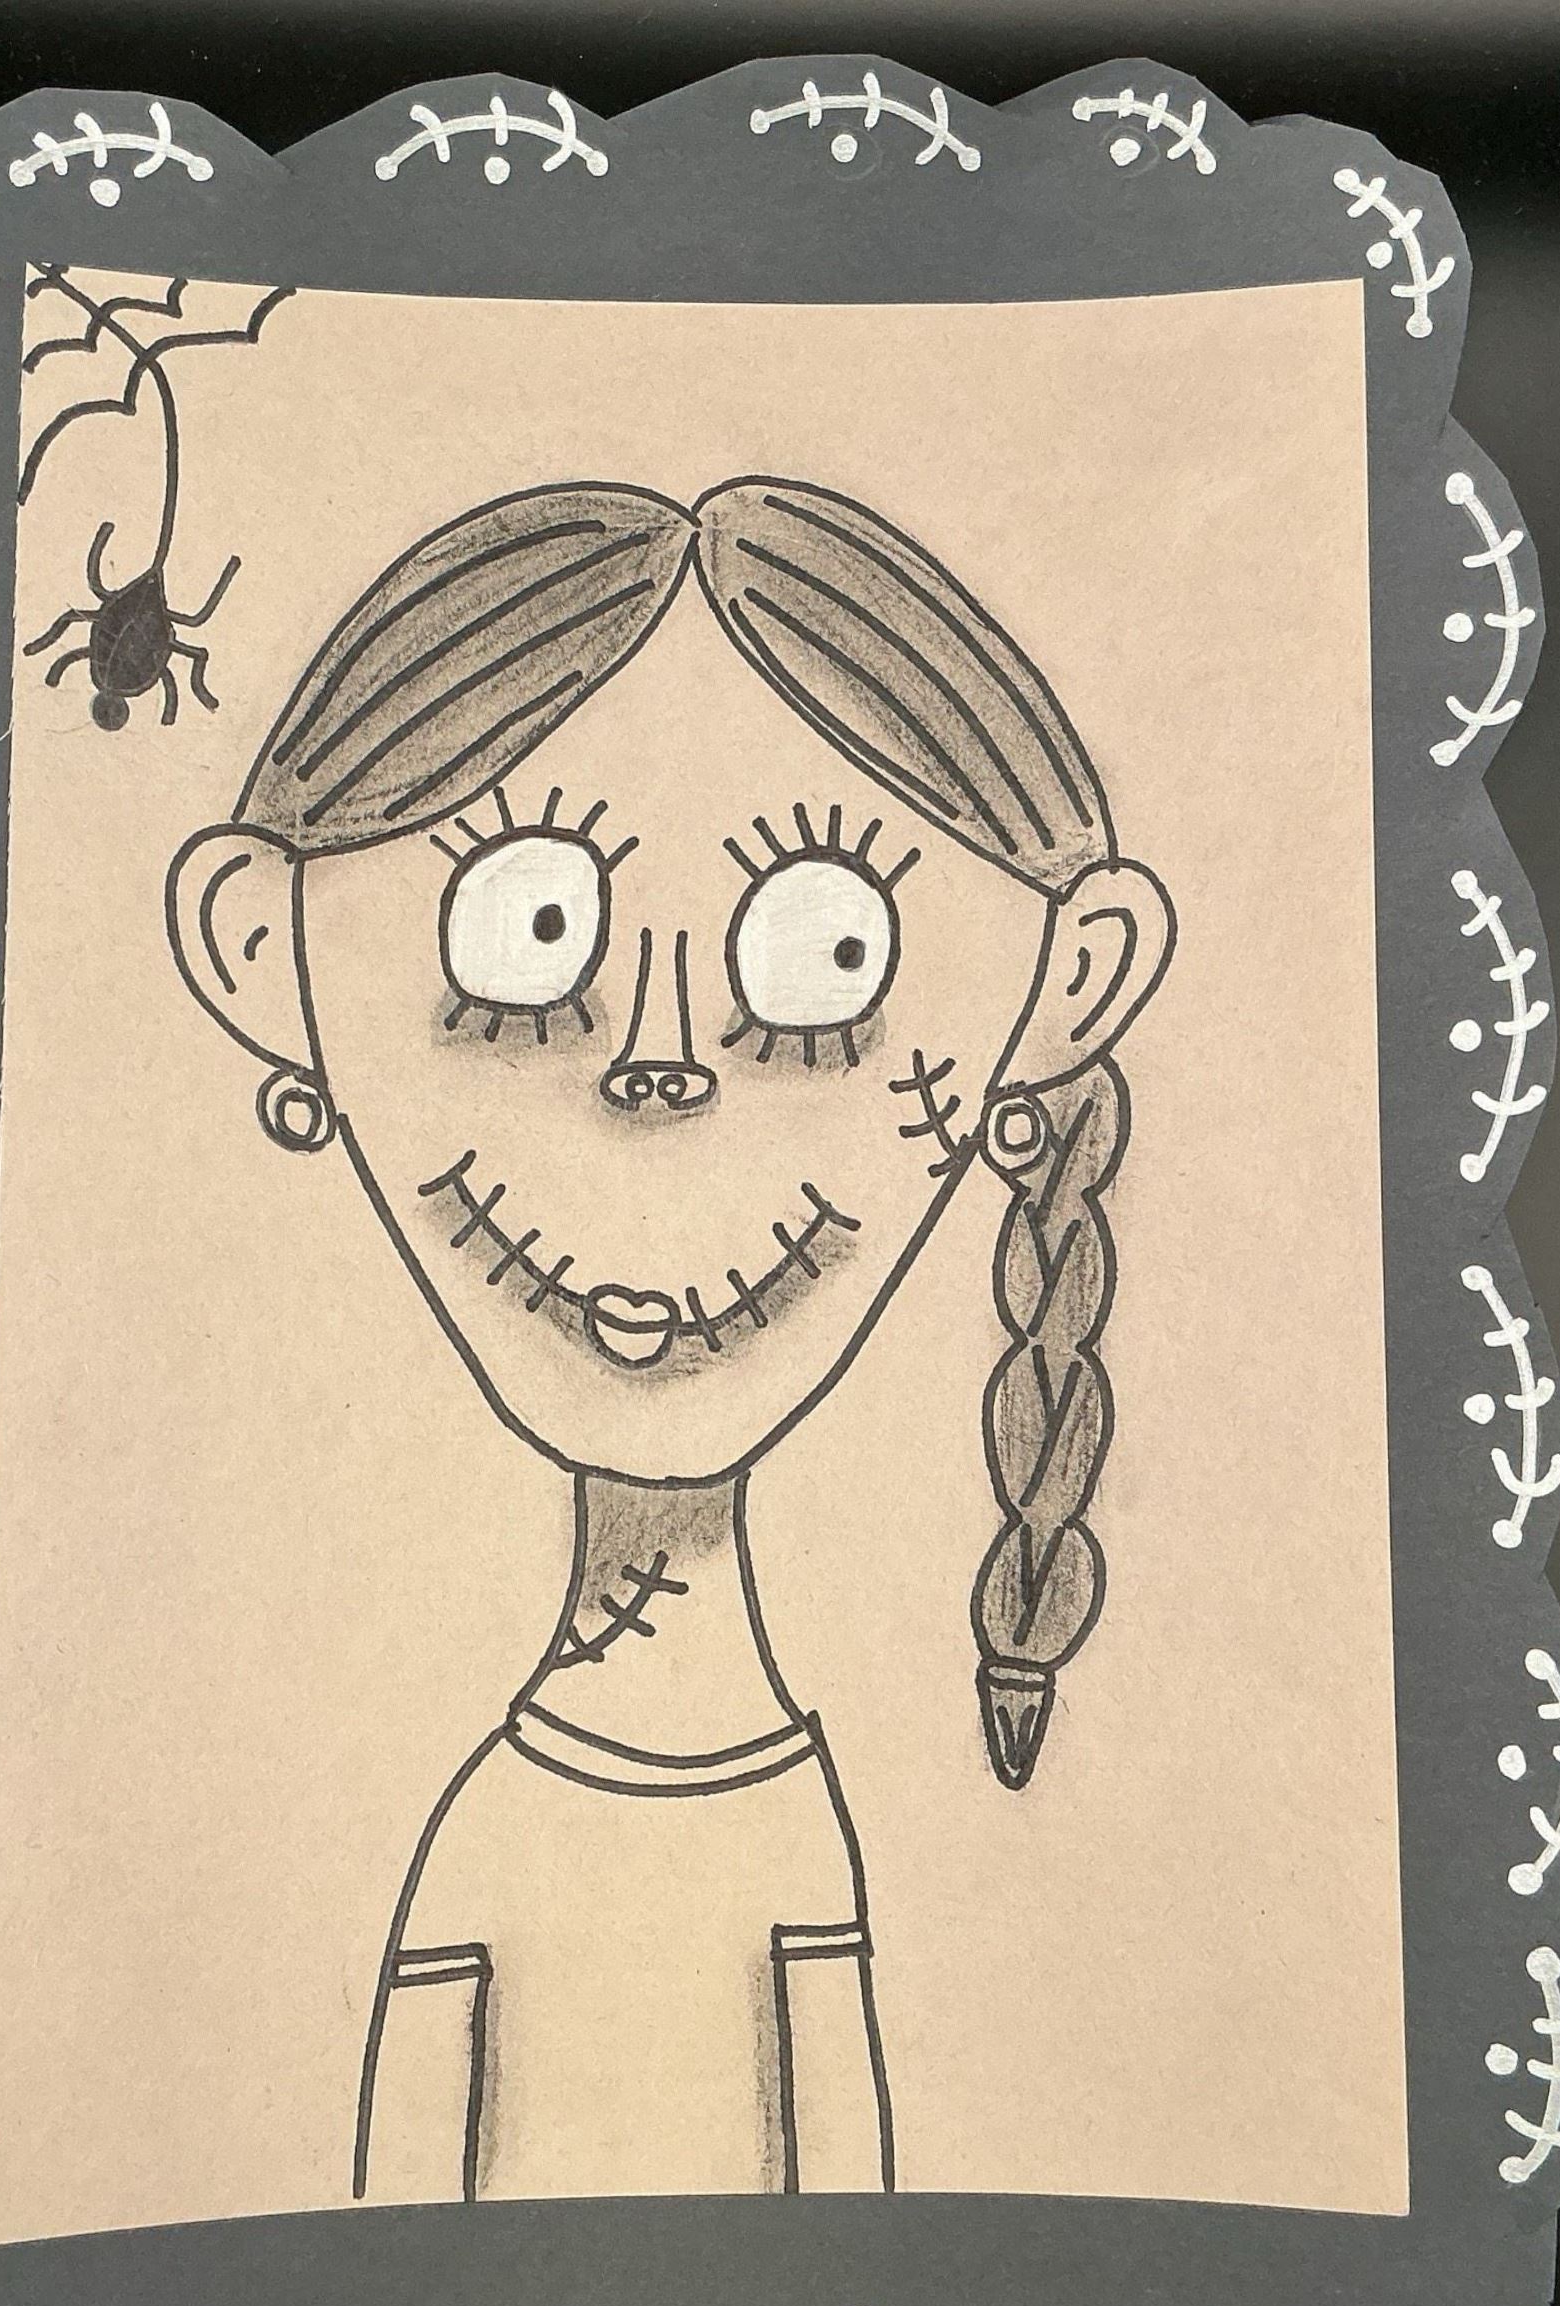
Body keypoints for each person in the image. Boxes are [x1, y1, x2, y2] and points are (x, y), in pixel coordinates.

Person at [166, 478, 1173, 2204]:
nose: (660, 1069)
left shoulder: (764, 1825)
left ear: (1064, 986)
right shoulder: (503, 1833)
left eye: (825, 960)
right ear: (264, 955)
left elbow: (847, 2242)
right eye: (524, 933)